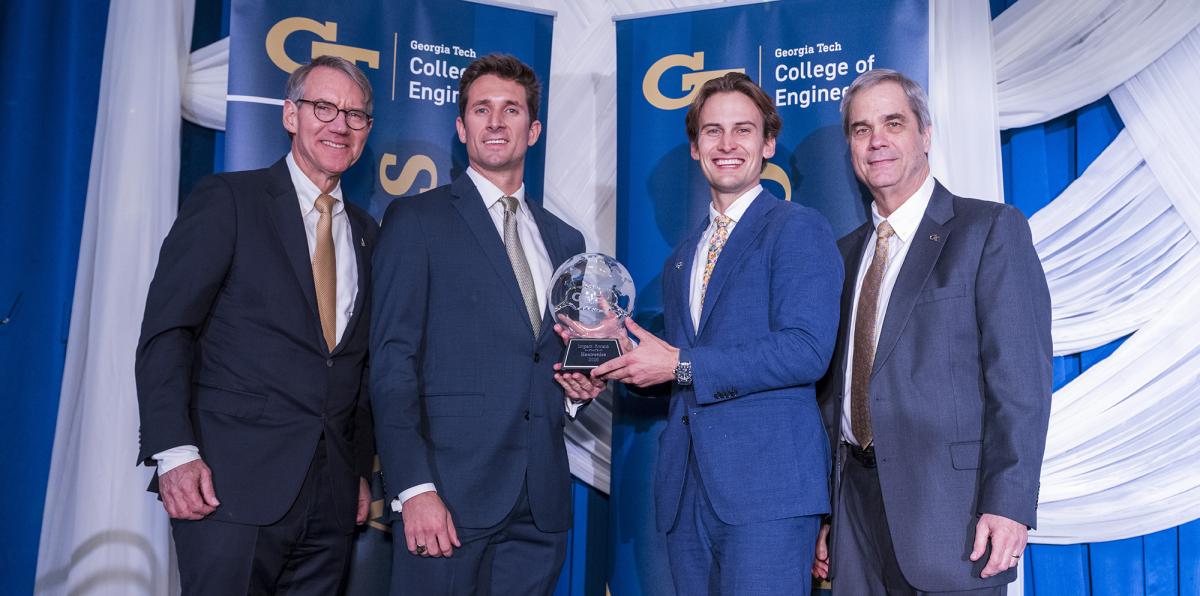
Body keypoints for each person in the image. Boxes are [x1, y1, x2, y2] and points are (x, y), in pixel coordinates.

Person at [592, 72, 843, 595]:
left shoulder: (798, 227)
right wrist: (623, 355)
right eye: (712, 131)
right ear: (694, 146)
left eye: (743, 130)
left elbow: (806, 350)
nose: (727, 144)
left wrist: (679, 365)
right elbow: (678, 366)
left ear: (768, 143)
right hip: (688, 494)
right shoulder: (684, 256)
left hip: (768, 494)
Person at [135, 55, 377, 594]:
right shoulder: (229, 201)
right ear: (291, 115)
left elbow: (357, 369)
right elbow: (168, 332)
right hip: (228, 488)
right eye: (324, 107)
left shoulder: (368, 233)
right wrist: (175, 452)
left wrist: (359, 470)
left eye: (356, 115)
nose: (340, 124)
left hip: (332, 501)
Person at [811, 69, 1052, 595]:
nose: (876, 140)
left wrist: (1008, 504)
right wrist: (825, 514)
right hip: (855, 517)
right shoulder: (842, 254)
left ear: (925, 133)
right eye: (860, 128)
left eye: (892, 122)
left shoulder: (988, 230)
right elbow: (832, 393)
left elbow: (1021, 383)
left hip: (955, 518)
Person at [370, 53, 591, 596]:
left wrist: (577, 393)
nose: (495, 122)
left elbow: (554, 358)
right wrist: (413, 488)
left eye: (511, 110)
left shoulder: (567, 242)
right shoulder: (416, 221)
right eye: (481, 109)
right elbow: (391, 364)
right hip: (446, 500)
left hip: (538, 509)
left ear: (533, 128)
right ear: (461, 125)